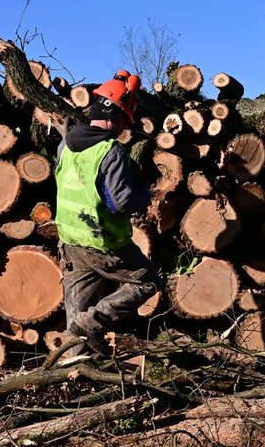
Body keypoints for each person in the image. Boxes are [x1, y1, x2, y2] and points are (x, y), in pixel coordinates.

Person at [55, 71, 161, 357]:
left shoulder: (65, 146)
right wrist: (147, 195)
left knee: (73, 324)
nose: (125, 126)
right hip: (105, 244)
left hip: (71, 244)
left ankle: (72, 373)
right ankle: (93, 322)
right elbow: (121, 203)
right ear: (113, 115)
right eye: (124, 119)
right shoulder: (110, 151)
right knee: (148, 281)